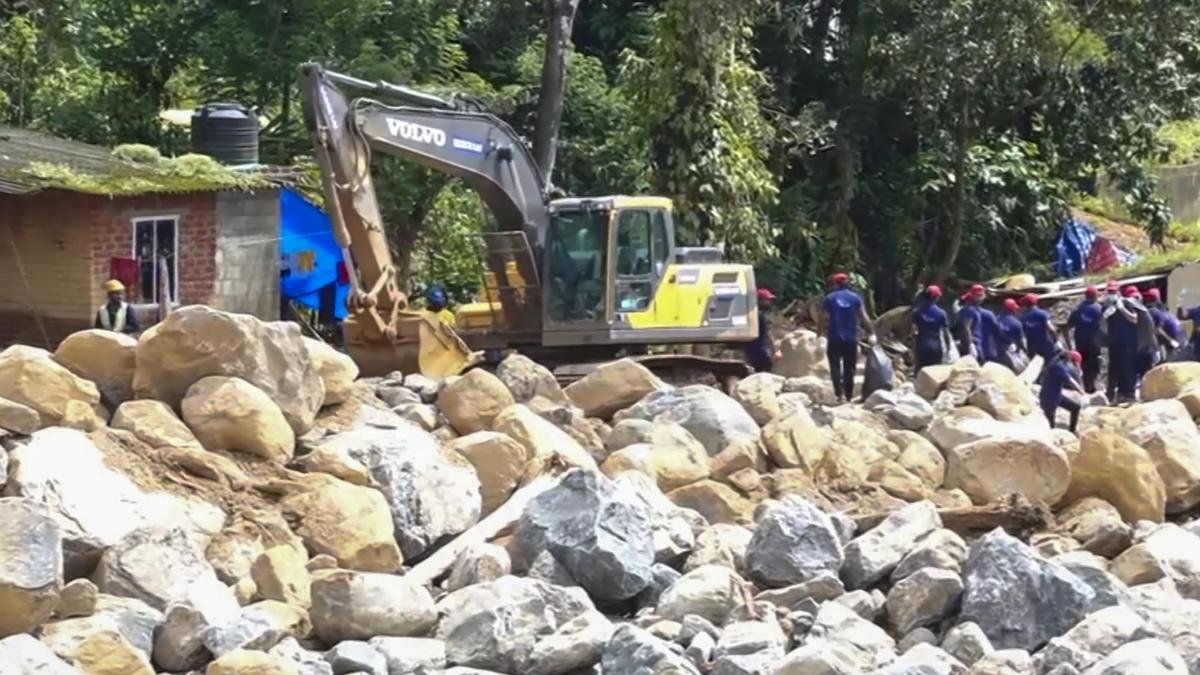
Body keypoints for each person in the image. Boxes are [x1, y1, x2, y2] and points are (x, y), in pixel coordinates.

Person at [822, 272, 875, 403]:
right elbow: (864, 317)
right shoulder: (856, 298)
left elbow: (822, 318)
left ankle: (839, 394)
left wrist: (819, 334)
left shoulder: (829, 298)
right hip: (851, 339)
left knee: (835, 366)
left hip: (834, 338)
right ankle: (849, 395)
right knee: (849, 368)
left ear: (835, 284)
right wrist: (871, 333)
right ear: (848, 283)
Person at [1104, 284, 1140, 403]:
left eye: (1114, 291)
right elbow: (1102, 321)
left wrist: (1121, 309)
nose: (1112, 294)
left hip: (1127, 343)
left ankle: (1129, 394)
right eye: (1110, 292)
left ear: (1119, 292)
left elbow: (1134, 319)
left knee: (1127, 368)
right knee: (1114, 369)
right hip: (1114, 343)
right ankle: (1115, 394)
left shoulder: (1126, 303)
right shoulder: (1106, 305)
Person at [1065, 285, 1104, 393]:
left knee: (1084, 367)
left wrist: (1069, 345)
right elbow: (1105, 326)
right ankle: (1092, 388)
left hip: (1080, 343)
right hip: (1094, 344)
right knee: (1094, 366)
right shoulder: (1099, 309)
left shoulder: (1078, 309)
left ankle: (1087, 388)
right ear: (1095, 296)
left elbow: (1068, 327)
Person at [1041, 349, 1085, 433]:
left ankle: (1072, 431)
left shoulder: (1057, 362)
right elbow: (1070, 381)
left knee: (1075, 407)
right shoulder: (1058, 367)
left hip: (1056, 395)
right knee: (1051, 425)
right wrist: (1081, 392)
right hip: (1049, 399)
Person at [911, 284, 948, 371]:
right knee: (935, 373)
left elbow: (913, 332)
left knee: (921, 372)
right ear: (937, 297)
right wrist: (948, 347)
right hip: (936, 347)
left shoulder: (917, 312)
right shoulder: (942, 313)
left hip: (921, 347)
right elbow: (946, 333)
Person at [1145, 288, 1186, 360]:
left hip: (1175, 341)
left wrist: (1170, 341)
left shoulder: (1153, 311)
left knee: (1173, 366)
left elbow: (1157, 330)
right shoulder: (1164, 309)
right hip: (1182, 337)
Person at [746, 288, 780, 373]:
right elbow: (767, 333)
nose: (769, 302)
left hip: (749, 349)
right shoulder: (760, 316)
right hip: (760, 349)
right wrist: (776, 350)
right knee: (766, 371)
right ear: (760, 300)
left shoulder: (749, 312)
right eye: (767, 300)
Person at [1020, 293, 1058, 362]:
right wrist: (1056, 340)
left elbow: (1023, 335)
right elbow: (1051, 329)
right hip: (1046, 345)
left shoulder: (1023, 318)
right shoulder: (1043, 313)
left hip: (1033, 349)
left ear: (1025, 305)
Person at [996, 298, 1027, 371]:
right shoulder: (1016, 323)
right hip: (1009, 353)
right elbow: (1021, 342)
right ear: (1013, 310)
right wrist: (1023, 350)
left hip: (995, 352)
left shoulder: (996, 320)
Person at [957, 285, 986, 360]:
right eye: (978, 295)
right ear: (973, 295)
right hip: (972, 343)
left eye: (981, 295)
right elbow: (967, 327)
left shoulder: (975, 308)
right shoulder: (970, 309)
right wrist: (971, 344)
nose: (980, 298)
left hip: (976, 342)